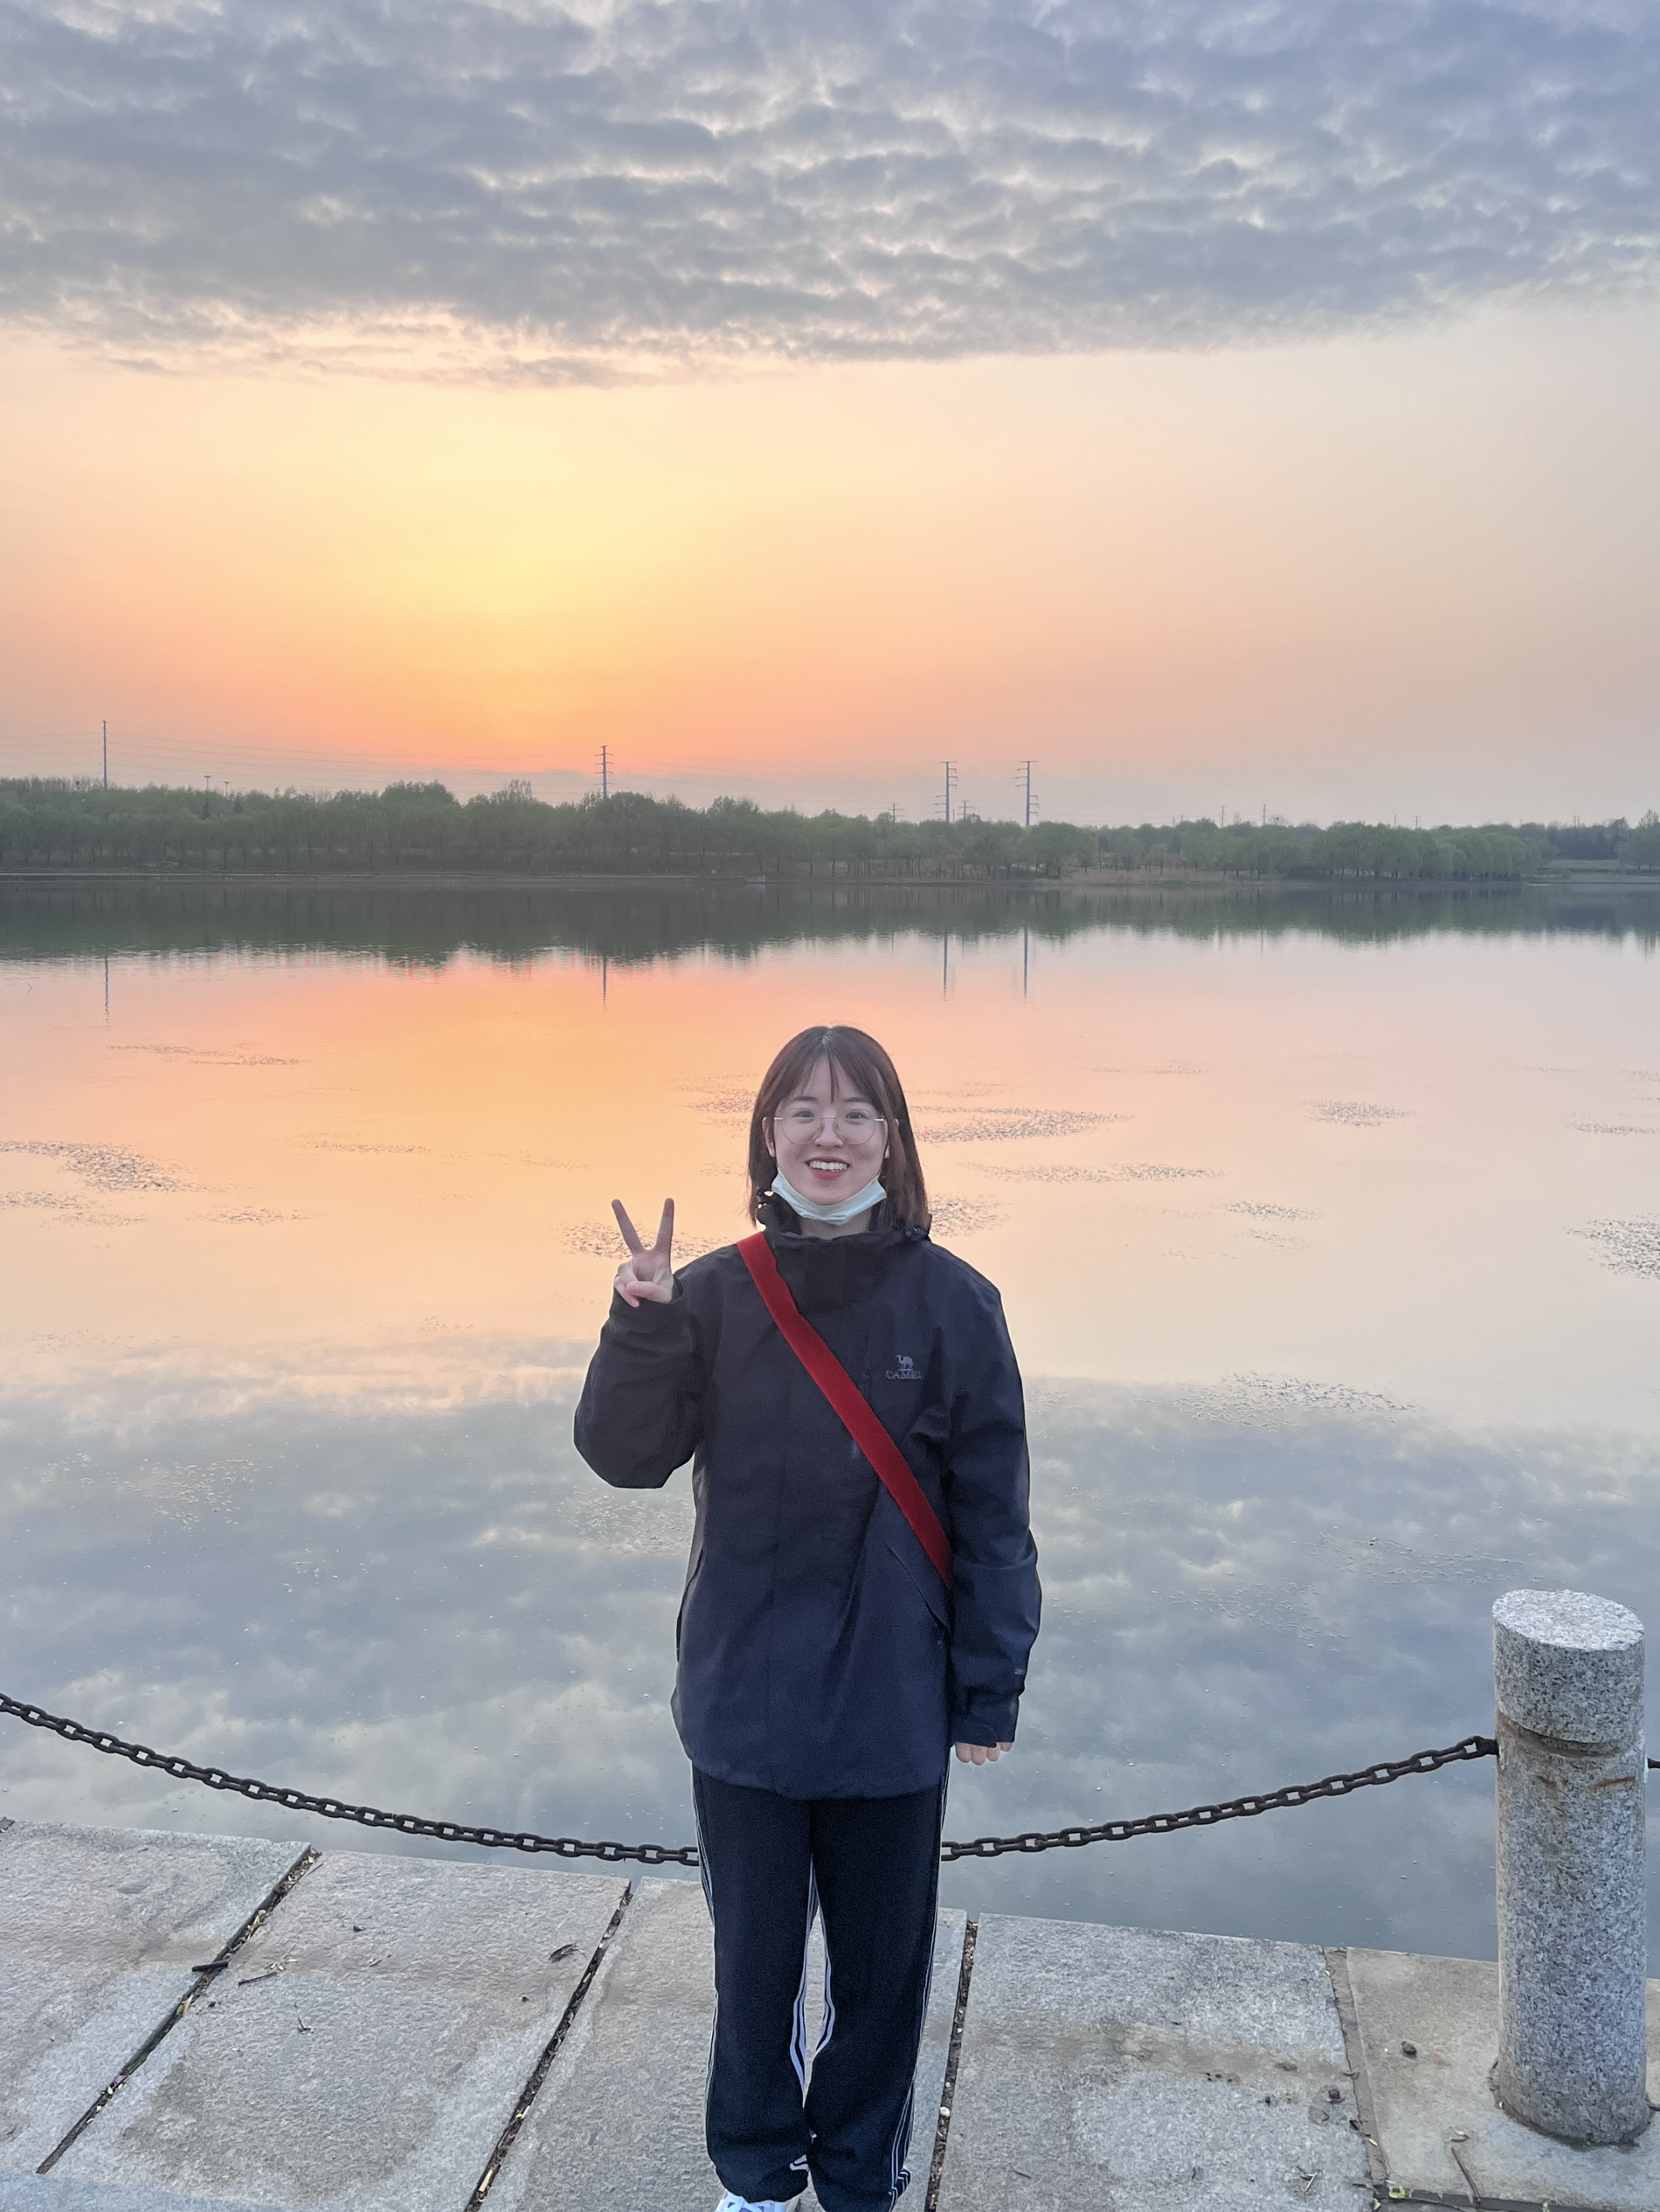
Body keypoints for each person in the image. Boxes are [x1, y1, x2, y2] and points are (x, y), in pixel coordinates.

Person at [575, 1023, 1041, 2212]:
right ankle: (756, 2175)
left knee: (882, 1976)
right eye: (803, 1111)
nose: (828, 1136)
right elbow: (626, 1457)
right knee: (754, 1968)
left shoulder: (955, 1303)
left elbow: (993, 1515)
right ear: (767, 1136)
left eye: (855, 1113)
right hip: (746, 1693)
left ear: (893, 1139)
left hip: (892, 1693)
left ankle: (858, 2177)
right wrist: (639, 1323)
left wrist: (988, 1689)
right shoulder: (711, 1294)